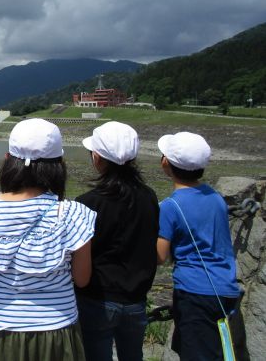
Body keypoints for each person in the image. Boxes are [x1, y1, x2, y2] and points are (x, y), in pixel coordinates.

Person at [0, 118, 96, 361]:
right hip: (56, 328)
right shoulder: (73, 213)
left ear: (8, 160)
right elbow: (82, 279)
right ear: (59, 165)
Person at [75, 121, 159, 361]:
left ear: (98, 158)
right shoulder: (149, 196)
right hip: (136, 299)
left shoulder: (88, 202)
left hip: (97, 300)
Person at [156, 132, 242, 361]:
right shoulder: (215, 197)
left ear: (166, 163)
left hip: (194, 292)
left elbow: (160, 255)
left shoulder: (171, 206)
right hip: (225, 287)